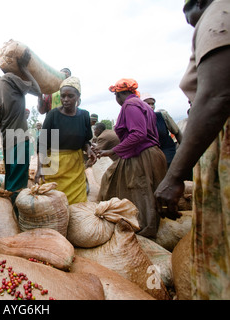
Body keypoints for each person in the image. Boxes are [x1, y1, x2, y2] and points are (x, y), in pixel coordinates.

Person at [155, 0, 230, 300]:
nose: (187, 20)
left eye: (187, 11)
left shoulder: (218, 13)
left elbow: (216, 97)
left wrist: (174, 177)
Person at [96, 79, 166, 239]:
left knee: (140, 193)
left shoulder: (130, 106)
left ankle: (143, 231)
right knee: (146, 192)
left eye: (116, 96)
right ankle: (147, 226)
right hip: (149, 153)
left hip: (141, 155)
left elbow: (138, 134)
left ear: (119, 95)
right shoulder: (142, 105)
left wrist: (112, 150)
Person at [0, 52, 42, 212]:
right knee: (18, 184)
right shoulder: (8, 78)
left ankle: (10, 213)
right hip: (20, 138)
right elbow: (37, 90)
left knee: (12, 179)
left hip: (8, 139)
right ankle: (16, 215)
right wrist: (23, 68)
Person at [35, 76, 96, 205]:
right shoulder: (53, 115)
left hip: (75, 167)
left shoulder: (84, 116)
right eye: (63, 96)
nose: (65, 100)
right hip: (54, 166)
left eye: (70, 96)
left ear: (78, 97)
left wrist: (89, 149)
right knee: (53, 204)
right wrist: (39, 168)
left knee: (76, 204)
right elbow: (43, 143)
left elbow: (85, 141)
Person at [141, 93, 183, 168]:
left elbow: (177, 132)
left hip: (167, 152)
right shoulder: (138, 121)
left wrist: (185, 150)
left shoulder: (162, 116)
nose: (151, 106)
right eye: (147, 103)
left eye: (152, 104)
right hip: (149, 155)